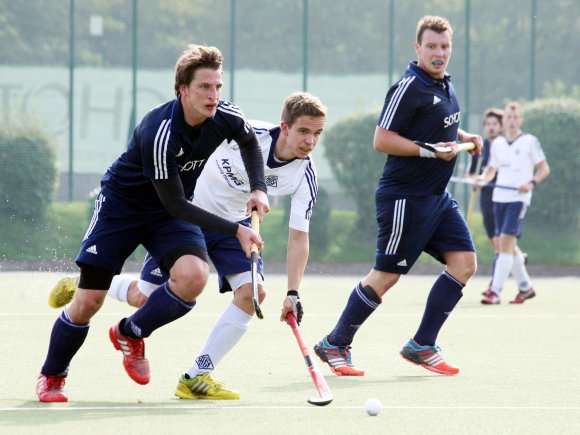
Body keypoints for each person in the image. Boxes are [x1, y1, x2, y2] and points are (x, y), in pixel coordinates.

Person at [48, 92, 327, 399]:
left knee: (253, 292)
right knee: (145, 298)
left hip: (235, 228)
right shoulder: (245, 133)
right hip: (187, 216)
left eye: (317, 134)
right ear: (284, 127)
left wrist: (292, 292)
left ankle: (196, 376)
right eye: (304, 131)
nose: (310, 142)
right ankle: (87, 285)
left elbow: (299, 236)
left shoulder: (305, 174)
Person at [36, 44, 270, 403]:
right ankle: (52, 375)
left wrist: (258, 189)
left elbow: (249, 142)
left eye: (218, 87)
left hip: (166, 215)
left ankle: (131, 332)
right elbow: (176, 203)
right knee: (88, 301)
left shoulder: (226, 115)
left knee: (193, 277)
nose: (213, 95)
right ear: (183, 90)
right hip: (123, 208)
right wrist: (236, 228)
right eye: (204, 88)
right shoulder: (159, 132)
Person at [313, 15, 482, 377]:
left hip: (436, 197)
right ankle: (335, 342)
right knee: (386, 276)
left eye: (445, 46)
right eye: (432, 46)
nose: (439, 53)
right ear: (417, 47)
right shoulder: (409, 86)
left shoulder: (445, 85)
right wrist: (429, 152)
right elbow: (382, 139)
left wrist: (468, 137)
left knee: (465, 263)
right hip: (405, 198)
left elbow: (440, 128)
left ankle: (422, 344)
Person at [477, 101, 550, 304]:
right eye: (508, 117)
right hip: (499, 198)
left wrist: (531, 182)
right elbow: (491, 170)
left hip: (518, 200)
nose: (511, 120)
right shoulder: (497, 144)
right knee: (504, 245)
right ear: (504, 121)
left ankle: (495, 291)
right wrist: (481, 180)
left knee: (506, 243)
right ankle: (525, 287)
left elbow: (544, 168)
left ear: (520, 120)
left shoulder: (529, 141)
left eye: (515, 117)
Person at [467, 108, 527, 303]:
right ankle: (524, 283)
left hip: (508, 199)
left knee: (503, 243)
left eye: (495, 124)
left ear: (501, 126)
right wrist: (477, 180)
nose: (491, 128)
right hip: (488, 199)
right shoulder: (479, 147)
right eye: (488, 124)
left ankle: (495, 287)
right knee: (498, 243)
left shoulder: (507, 145)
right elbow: (472, 173)